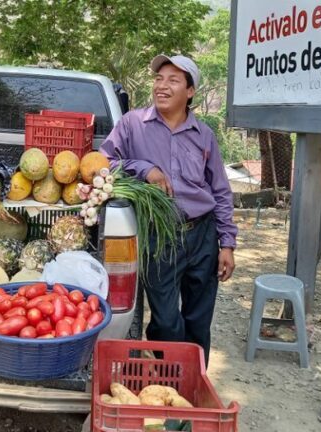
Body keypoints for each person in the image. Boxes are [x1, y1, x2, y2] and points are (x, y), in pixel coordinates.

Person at [99, 54, 237, 365]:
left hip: (202, 234)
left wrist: (226, 244)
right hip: (159, 235)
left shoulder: (204, 136)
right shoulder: (133, 124)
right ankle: (168, 378)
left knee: (199, 319)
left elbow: (220, 191)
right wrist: (143, 168)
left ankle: (193, 381)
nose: (162, 86)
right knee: (165, 319)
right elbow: (102, 162)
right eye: (159, 79)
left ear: (190, 92)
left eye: (173, 80)